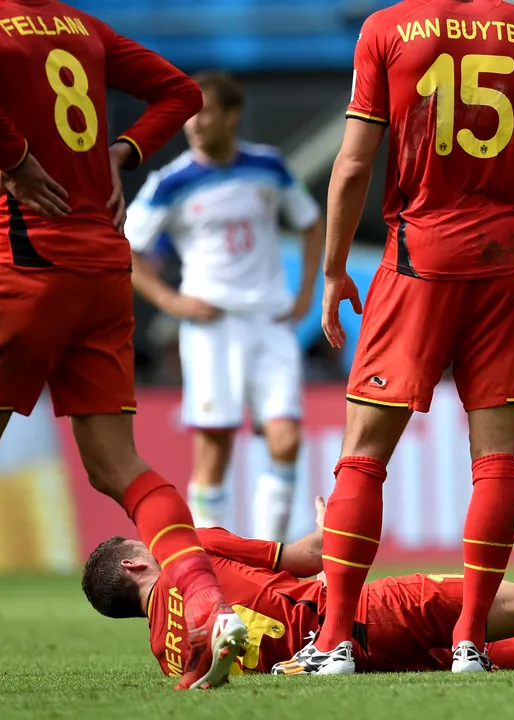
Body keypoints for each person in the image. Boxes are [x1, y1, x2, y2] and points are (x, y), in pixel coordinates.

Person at [0, 0, 248, 695]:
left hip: (23, 259)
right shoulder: (82, 26)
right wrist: (125, 151)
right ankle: (208, 605)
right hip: (104, 267)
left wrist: (17, 159)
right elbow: (183, 92)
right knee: (119, 464)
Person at [287, 0, 514, 676]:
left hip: (418, 258)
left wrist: (332, 270)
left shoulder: (387, 28)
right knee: (497, 463)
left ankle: (336, 640)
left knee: (363, 459)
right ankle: (470, 639)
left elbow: (352, 166)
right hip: (505, 259)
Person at [81, 498, 514, 674]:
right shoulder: (186, 552)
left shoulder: (166, 651)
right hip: (353, 619)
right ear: (138, 563)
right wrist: (338, 514)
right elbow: (313, 556)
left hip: (333, 658)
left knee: (484, 642)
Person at [126, 71, 324, 542]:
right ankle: (215, 566)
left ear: (231, 115)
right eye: (188, 115)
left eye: (205, 111)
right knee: (214, 449)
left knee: (286, 440)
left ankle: (271, 558)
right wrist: (170, 300)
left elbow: (311, 222)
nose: (194, 124)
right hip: (213, 328)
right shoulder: (170, 183)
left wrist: (304, 295)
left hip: (271, 323)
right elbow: (123, 247)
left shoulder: (269, 167)